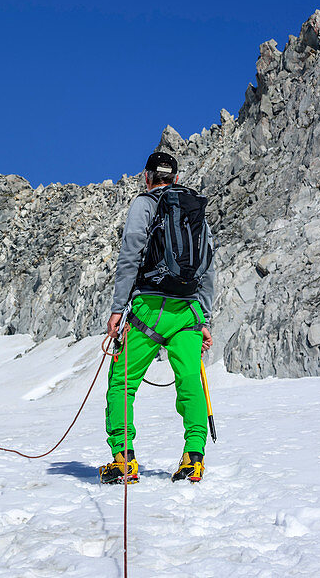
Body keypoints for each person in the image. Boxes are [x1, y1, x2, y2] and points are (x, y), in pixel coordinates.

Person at [101, 151, 216, 484]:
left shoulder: (144, 204)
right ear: (176, 178)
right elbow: (208, 267)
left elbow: (130, 256)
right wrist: (204, 317)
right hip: (188, 312)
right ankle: (193, 458)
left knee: (122, 382)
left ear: (146, 176)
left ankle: (124, 460)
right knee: (190, 382)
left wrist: (118, 309)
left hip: (149, 310)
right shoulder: (194, 210)